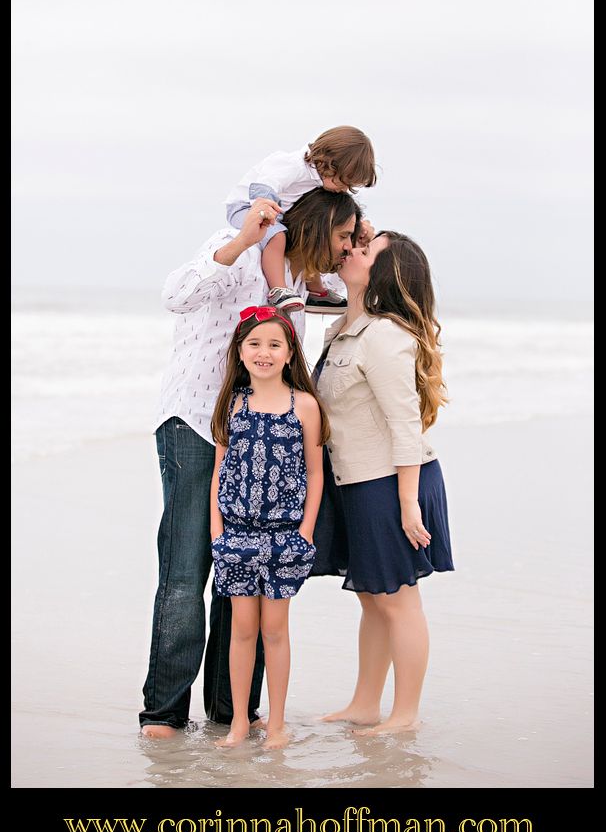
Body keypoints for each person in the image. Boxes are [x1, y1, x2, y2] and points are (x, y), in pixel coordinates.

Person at [140, 187, 360, 738]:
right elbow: (175, 295)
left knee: (245, 582)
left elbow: (342, 306)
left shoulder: (292, 286)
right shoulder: (236, 248)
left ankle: (230, 710)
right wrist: (241, 239)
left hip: (258, 441)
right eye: (340, 235)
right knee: (188, 571)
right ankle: (164, 712)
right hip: (196, 423)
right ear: (314, 226)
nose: (344, 247)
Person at [311, 232, 455, 735]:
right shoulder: (346, 328)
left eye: (365, 250)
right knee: (371, 596)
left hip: (393, 481)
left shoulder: (385, 336)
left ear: (385, 273)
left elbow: (405, 423)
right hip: (356, 481)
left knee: (398, 599)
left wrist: (408, 503)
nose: (351, 250)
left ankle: (405, 715)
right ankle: (365, 704)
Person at [209, 306, 329, 749]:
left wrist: (306, 532)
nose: (264, 353)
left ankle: (276, 724)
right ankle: (240, 721)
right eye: (254, 344)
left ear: (289, 352)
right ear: (240, 352)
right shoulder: (232, 403)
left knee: (275, 631)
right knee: (242, 629)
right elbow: (219, 471)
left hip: (285, 537)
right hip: (236, 535)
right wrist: (217, 532)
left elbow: (315, 474)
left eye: (274, 344)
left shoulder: (306, 406)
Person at [225, 126, 377, 314]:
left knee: (310, 241)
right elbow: (265, 184)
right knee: (278, 237)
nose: (344, 189)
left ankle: (315, 291)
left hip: (277, 210)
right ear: (330, 164)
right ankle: (279, 289)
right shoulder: (293, 166)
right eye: (343, 182)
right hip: (247, 207)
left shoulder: (317, 179)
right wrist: (265, 210)